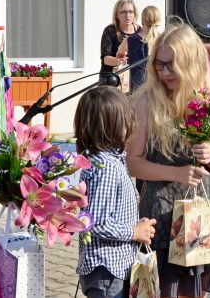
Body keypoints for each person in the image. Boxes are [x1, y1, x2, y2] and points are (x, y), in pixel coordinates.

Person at [127, 23, 210, 298]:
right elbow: (132, 163)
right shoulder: (146, 103)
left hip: (201, 213)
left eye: (172, 65)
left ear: (191, 63)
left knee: (196, 293)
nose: (164, 73)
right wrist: (176, 173)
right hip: (161, 217)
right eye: (159, 64)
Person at [75, 86, 157, 298]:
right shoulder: (106, 167)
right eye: (128, 120)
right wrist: (134, 232)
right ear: (114, 125)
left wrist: (136, 224)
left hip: (112, 270)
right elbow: (95, 223)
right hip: (107, 272)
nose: (132, 125)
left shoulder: (108, 160)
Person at [116, 5, 162, 93]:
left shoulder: (130, 40)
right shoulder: (164, 40)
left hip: (137, 91)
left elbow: (119, 55)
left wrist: (125, 58)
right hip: (159, 90)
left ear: (142, 21)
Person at [100, 0, 142, 78]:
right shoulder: (110, 30)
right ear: (117, 15)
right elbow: (106, 59)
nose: (127, 15)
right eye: (123, 12)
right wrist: (119, 61)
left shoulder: (140, 31)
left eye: (131, 12)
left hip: (134, 78)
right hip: (111, 78)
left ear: (135, 14)